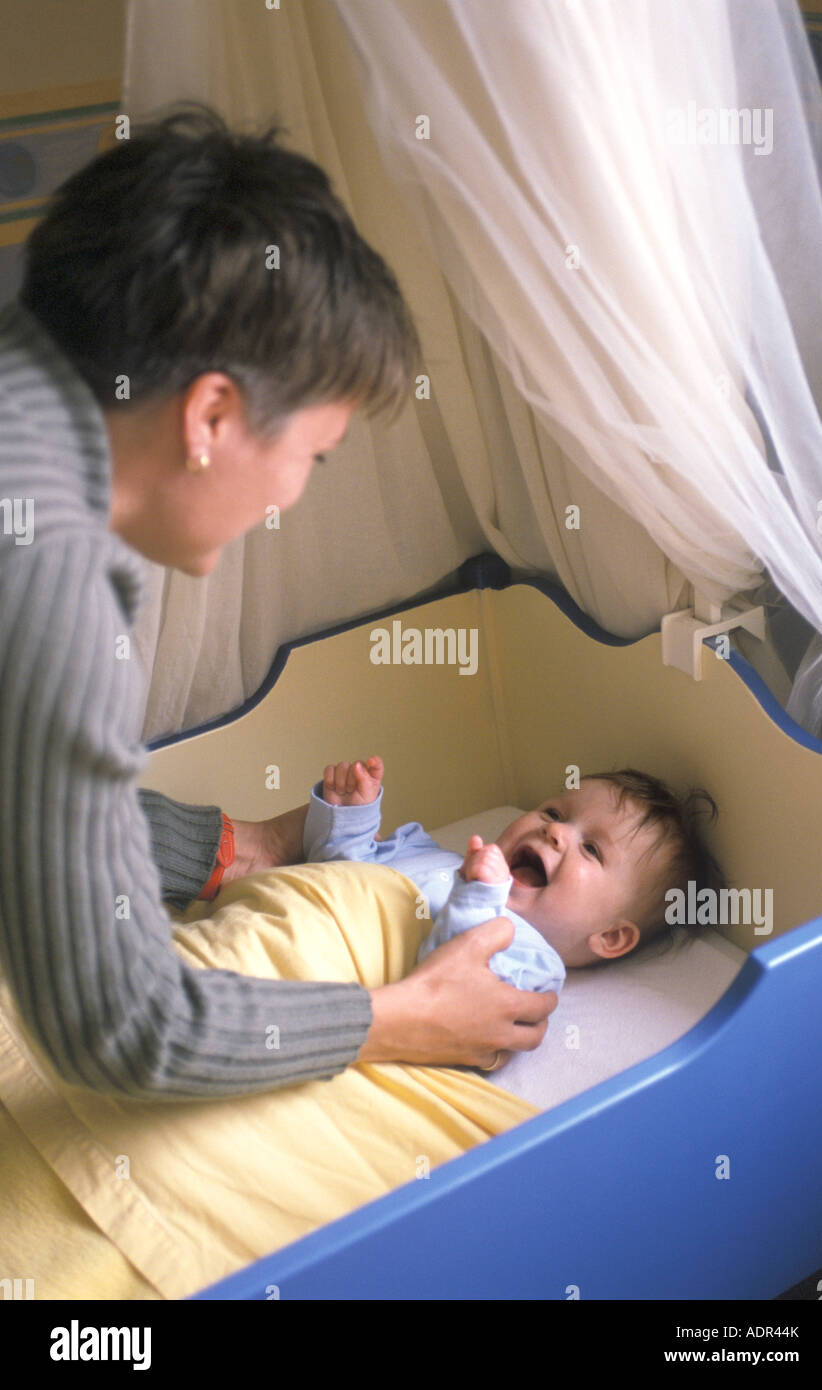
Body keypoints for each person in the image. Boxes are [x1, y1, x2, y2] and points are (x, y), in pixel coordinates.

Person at [0, 105, 556, 1100]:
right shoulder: (53, 572)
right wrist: (404, 1016)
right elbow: (119, 1023)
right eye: (312, 454)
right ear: (211, 414)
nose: (294, 495)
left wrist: (226, 846)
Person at [305, 758, 725, 1002]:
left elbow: (447, 992)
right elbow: (334, 870)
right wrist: (350, 819)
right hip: (293, 915)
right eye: (555, 813)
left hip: (313, 978)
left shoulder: (528, 958)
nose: (556, 832)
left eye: (592, 849)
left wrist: (476, 900)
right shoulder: (432, 854)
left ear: (610, 937)